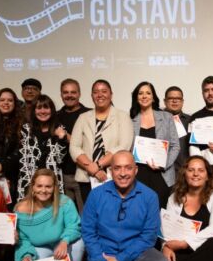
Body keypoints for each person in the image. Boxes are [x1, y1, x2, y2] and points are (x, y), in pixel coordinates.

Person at [81, 151, 170, 261]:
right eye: (117, 168)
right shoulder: (96, 195)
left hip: (135, 254)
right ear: (110, 171)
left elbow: (149, 237)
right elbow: (88, 231)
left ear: (136, 170)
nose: (123, 173)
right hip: (103, 256)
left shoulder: (150, 196)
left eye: (128, 168)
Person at [15, 169, 84, 261]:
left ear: (54, 188)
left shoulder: (64, 202)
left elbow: (74, 225)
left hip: (62, 243)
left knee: (80, 243)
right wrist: (26, 256)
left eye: (48, 186)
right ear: (33, 187)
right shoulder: (21, 209)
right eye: (39, 186)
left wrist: (65, 241)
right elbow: (23, 239)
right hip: (40, 248)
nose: (43, 190)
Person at [69, 80, 134, 203]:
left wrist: (98, 165)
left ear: (111, 94)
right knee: (89, 217)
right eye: (95, 92)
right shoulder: (83, 117)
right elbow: (74, 147)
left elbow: (123, 146)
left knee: (113, 215)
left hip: (113, 177)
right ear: (91, 96)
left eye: (104, 91)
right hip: (86, 177)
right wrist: (92, 169)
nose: (100, 95)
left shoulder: (123, 116)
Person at [130, 81, 180, 206]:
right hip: (138, 175)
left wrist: (163, 164)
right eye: (140, 93)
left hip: (162, 175)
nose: (144, 96)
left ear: (153, 97)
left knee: (161, 214)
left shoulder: (167, 117)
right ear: (136, 97)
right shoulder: (130, 120)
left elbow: (175, 146)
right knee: (139, 212)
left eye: (148, 93)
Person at [17, 94, 69, 202]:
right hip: (29, 181)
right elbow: (23, 161)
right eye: (39, 108)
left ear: (52, 110)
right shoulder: (26, 130)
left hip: (52, 183)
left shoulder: (59, 129)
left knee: (53, 215)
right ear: (34, 111)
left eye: (46, 107)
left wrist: (62, 138)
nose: (43, 111)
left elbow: (60, 160)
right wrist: (29, 186)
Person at [55, 78, 91, 212]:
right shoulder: (55, 116)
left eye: (73, 92)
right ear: (61, 95)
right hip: (62, 175)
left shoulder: (89, 115)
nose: (69, 95)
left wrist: (67, 137)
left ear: (79, 94)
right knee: (66, 216)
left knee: (86, 214)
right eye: (65, 92)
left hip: (84, 173)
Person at [163, 85, 192, 169]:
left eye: (178, 98)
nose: (175, 101)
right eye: (171, 98)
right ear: (165, 101)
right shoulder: (156, 120)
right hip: (162, 170)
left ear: (182, 101)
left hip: (184, 171)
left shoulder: (191, 121)